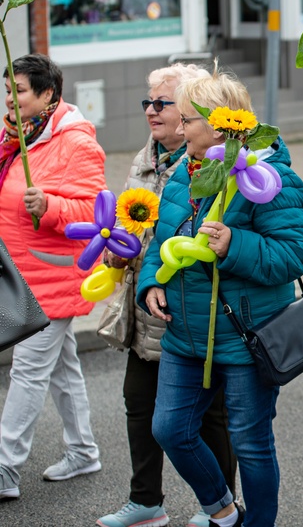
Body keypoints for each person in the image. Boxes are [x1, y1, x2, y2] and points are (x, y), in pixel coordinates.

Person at [138, 66, 303, 526]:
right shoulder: (184, 173)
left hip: (245, 334)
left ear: (219, 124)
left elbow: (294, 255)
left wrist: (235, 245)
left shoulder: (268, 178)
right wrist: (151, 282)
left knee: (250, 442)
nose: (178, 128)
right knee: (170, 429)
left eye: (187, 120)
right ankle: (221, 509)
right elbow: (161, 240)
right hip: (186, 332)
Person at [96, 63, 237, 527]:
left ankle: (218, 504)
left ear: (193, 111)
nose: (152, 112)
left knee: (207, 414)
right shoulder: (144, 158)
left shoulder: (208, 164)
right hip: (146, 302)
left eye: (163, 103)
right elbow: (127, 222)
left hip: (191, 306)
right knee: (138, 403)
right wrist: (118, 252)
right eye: (147, 103)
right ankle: (146, 502)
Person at [0, 53, 106, 499]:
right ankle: (83, 451)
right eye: (8, 90)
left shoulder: (75, 142)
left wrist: (52, 207)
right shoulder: (17, 135)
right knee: (62, 367)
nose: (10, 98)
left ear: (48, 94)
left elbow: (96, 208)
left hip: (52, 274)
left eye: (19, 91)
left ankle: (4, 466)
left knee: (27, 371)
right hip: (21, 270)